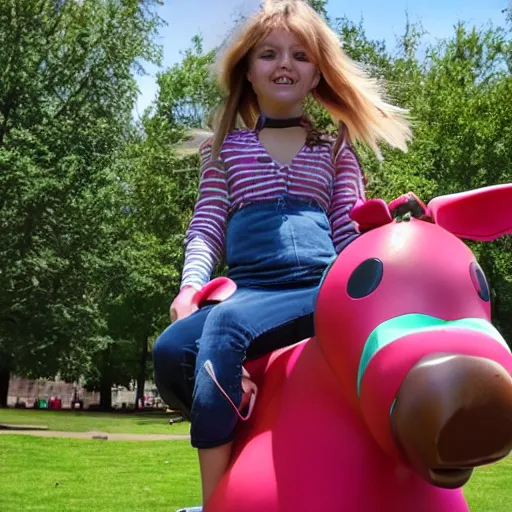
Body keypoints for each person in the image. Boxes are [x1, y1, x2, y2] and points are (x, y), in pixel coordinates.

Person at [152, 1, 411, 510]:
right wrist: (189, 288)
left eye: (300, 54)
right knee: (169, 350)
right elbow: (206, 227)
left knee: (224, 329)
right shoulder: (223, 148)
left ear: (318, 74)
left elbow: (345, 231)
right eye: (269, 54)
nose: (284, 64)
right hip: (249, 290)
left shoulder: (334, 148)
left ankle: (215, 503)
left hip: (315, 290)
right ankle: (237, 408)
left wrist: (368, 283)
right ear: (248, 70)